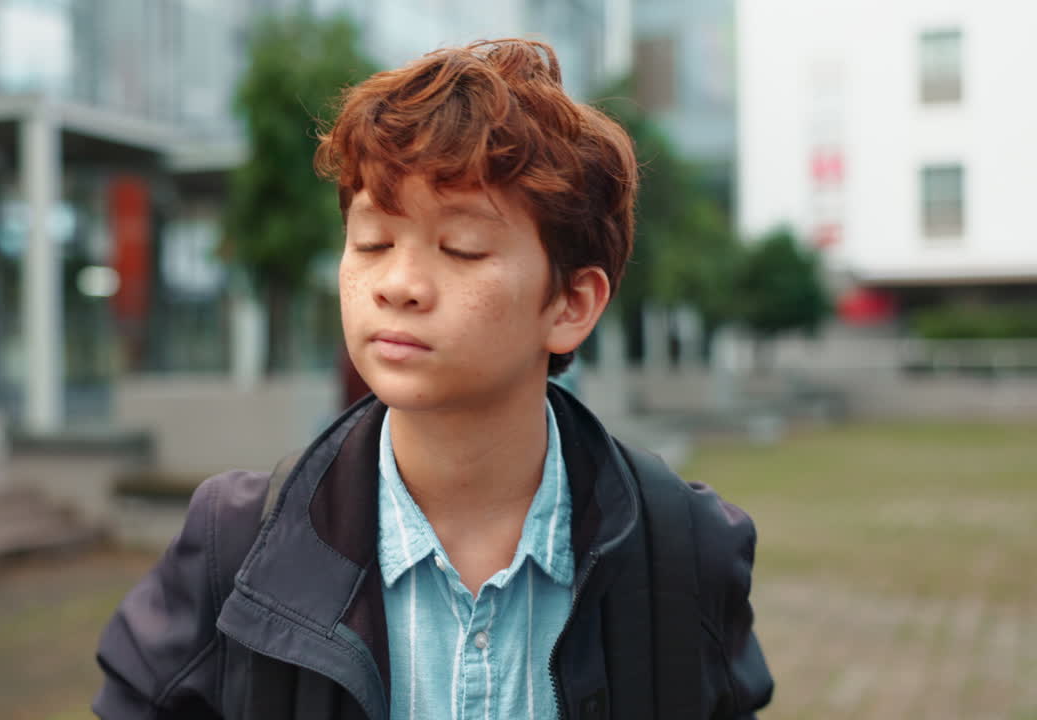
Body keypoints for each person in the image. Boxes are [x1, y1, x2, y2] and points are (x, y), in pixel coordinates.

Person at [93, 38, 773, 719]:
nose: (398, 284)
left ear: (572, 304)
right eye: (373, 242)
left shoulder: (683, 550)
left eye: (461, 249)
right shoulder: (236, 542)